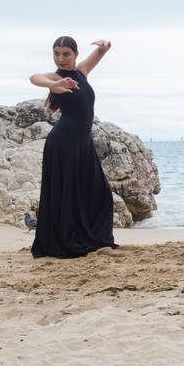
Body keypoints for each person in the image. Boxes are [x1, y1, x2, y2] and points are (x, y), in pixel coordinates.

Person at [29, 36, 117, 258]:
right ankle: (67, 240)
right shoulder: (56, 76)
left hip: (83, 143)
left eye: (66, 54)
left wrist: (104, 48)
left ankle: (90, 238)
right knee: (67, 194)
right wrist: (53, 85)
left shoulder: (81, 71)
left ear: (75, 55)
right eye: (56, 54)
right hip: (64, 142)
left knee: (100, 193)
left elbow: (98, 55)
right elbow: (34, 77)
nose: (61, 58)